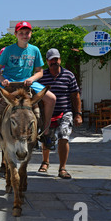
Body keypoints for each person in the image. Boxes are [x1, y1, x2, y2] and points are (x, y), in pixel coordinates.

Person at [0, 21, 56, 143]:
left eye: (27, 33)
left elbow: (40, 72)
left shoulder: (35, 50)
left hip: (27, 83)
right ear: (16, 34)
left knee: (52, 98)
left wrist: (32, 79)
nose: (24, 35)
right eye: (21, 33)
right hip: (9, 82)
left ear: (31, 34)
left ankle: (45, 132)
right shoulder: (8, 50)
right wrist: (2, 79)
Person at [37, 48, 83, 179]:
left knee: (64, 137)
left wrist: (78, 114)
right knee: (47, 137)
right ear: (47, 61)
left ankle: (62, 168)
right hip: (47, 113)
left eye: (56, 59)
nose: (54, 62)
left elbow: (75, 96)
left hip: (65, 112)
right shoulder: (42, 77)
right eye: (51, 60)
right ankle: (45, 161)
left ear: (60, 60)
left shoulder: (69, 75)